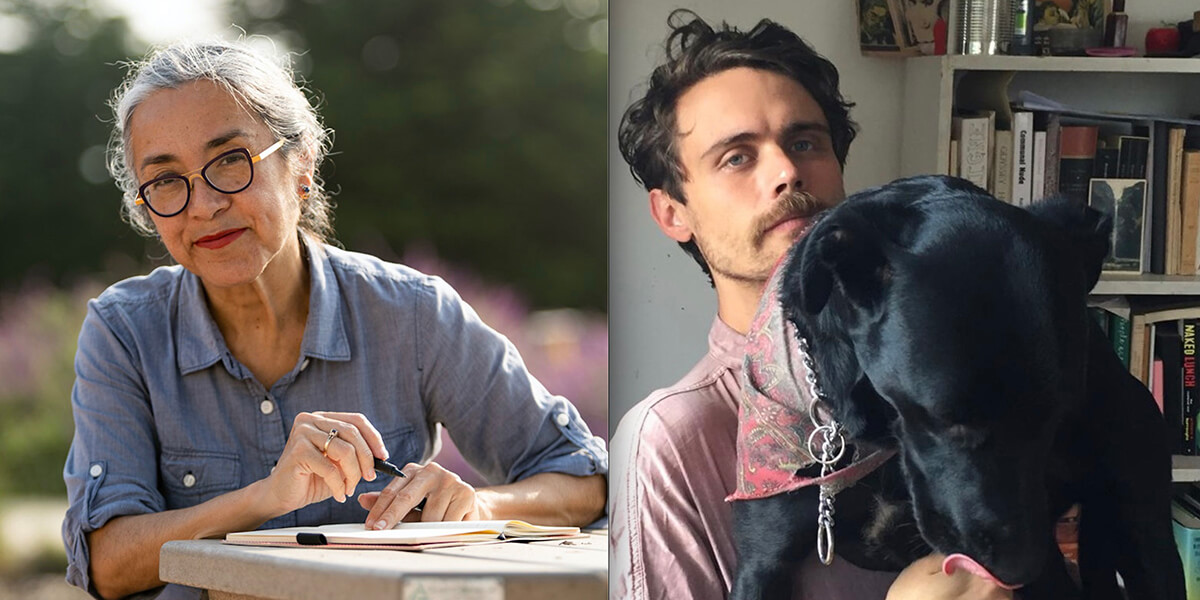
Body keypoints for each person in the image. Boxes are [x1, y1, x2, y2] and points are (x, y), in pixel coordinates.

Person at [62, 39, 607, 600]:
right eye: (166, 181)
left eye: (229, 160)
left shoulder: (413, 313)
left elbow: (584, 479)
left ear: (300, 167)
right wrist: (265, 498)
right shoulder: (123, 332)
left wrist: (479, 506)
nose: (202, 205)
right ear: (147, 209)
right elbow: (107, 560)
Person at [610, 10, 1010, 600]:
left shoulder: (958, 365)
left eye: (804, 142)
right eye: (737, 157)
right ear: (674, 213)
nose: (788, 171)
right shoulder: (670, 442)